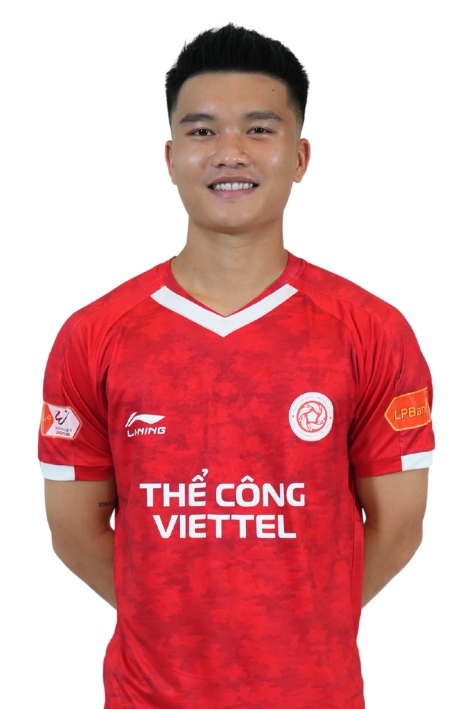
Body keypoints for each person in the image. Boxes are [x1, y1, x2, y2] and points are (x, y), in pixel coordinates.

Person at [39, 24, 434, 709]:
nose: (230, 152)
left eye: (258, 129)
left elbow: (398, 528)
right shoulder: (93, 335)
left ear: (300, 156)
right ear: (169, 158)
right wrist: (172, 621)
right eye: (201, 131)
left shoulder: (372, 331)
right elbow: (74, 532)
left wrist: (298, 623)